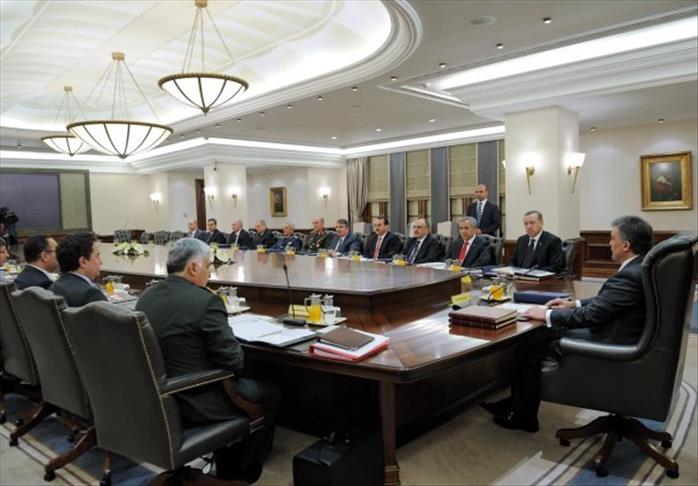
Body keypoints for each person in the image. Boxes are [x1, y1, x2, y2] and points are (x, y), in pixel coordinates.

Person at [483, 216, 653, 433]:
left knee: (529, 345)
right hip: (622, 330)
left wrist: (547, 314)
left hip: (612, 339)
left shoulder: (629, 275)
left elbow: (593, 316)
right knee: (535, 337)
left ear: (626, 245)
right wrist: (574, 304)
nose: (609, 243)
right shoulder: (639, 267)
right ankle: (516, 402)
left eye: (612, 238)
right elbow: (608, 302)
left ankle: (524, 417)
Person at [136, 238, 279, 482]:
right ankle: (240, 469)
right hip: (196, 399)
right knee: (272, 393)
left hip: (156, 398)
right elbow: (234, 362)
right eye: (209, 265)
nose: (210, 272)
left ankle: (227, 455)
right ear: (193, 267)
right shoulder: (206, 301)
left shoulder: (147, 296)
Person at [50, 232, 107, 307]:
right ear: (83, 262)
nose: (101, 262)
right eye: (97, 256)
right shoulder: (91, 295)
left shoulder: (54, 287)